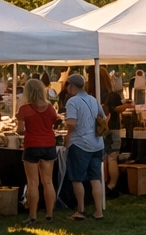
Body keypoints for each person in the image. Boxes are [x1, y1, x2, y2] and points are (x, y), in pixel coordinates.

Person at [62, 73, 105, 222]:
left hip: (80, 144)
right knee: (95, 178)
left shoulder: (72, 101)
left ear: (71, 85)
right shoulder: (93, 99)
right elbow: (103, 117)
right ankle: (99, 211)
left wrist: (67, 137)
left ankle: (80, 210)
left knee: (77, 178)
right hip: (97, 144)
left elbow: (72, 123)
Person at [16, 78, 59, 225]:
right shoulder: (50, 107)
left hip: (32, 145)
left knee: (33, 183)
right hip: (49, 145)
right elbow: (54, 122)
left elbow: (20, 129)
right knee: (48, 181)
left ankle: (33, 216)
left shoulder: (24, 109)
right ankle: (49, 215)